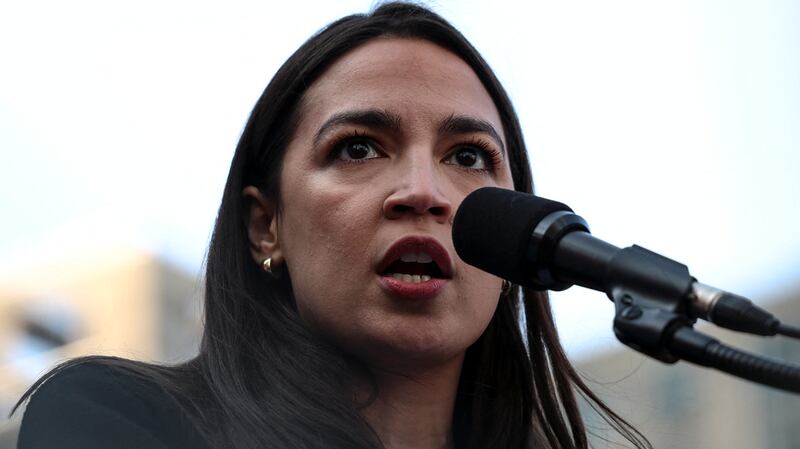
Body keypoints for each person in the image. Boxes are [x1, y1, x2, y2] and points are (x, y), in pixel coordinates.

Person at [12, 3, 651, 449]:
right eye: (358, 148)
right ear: (267, 227)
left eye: (467, 157)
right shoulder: (116, 418)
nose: (424, 193)